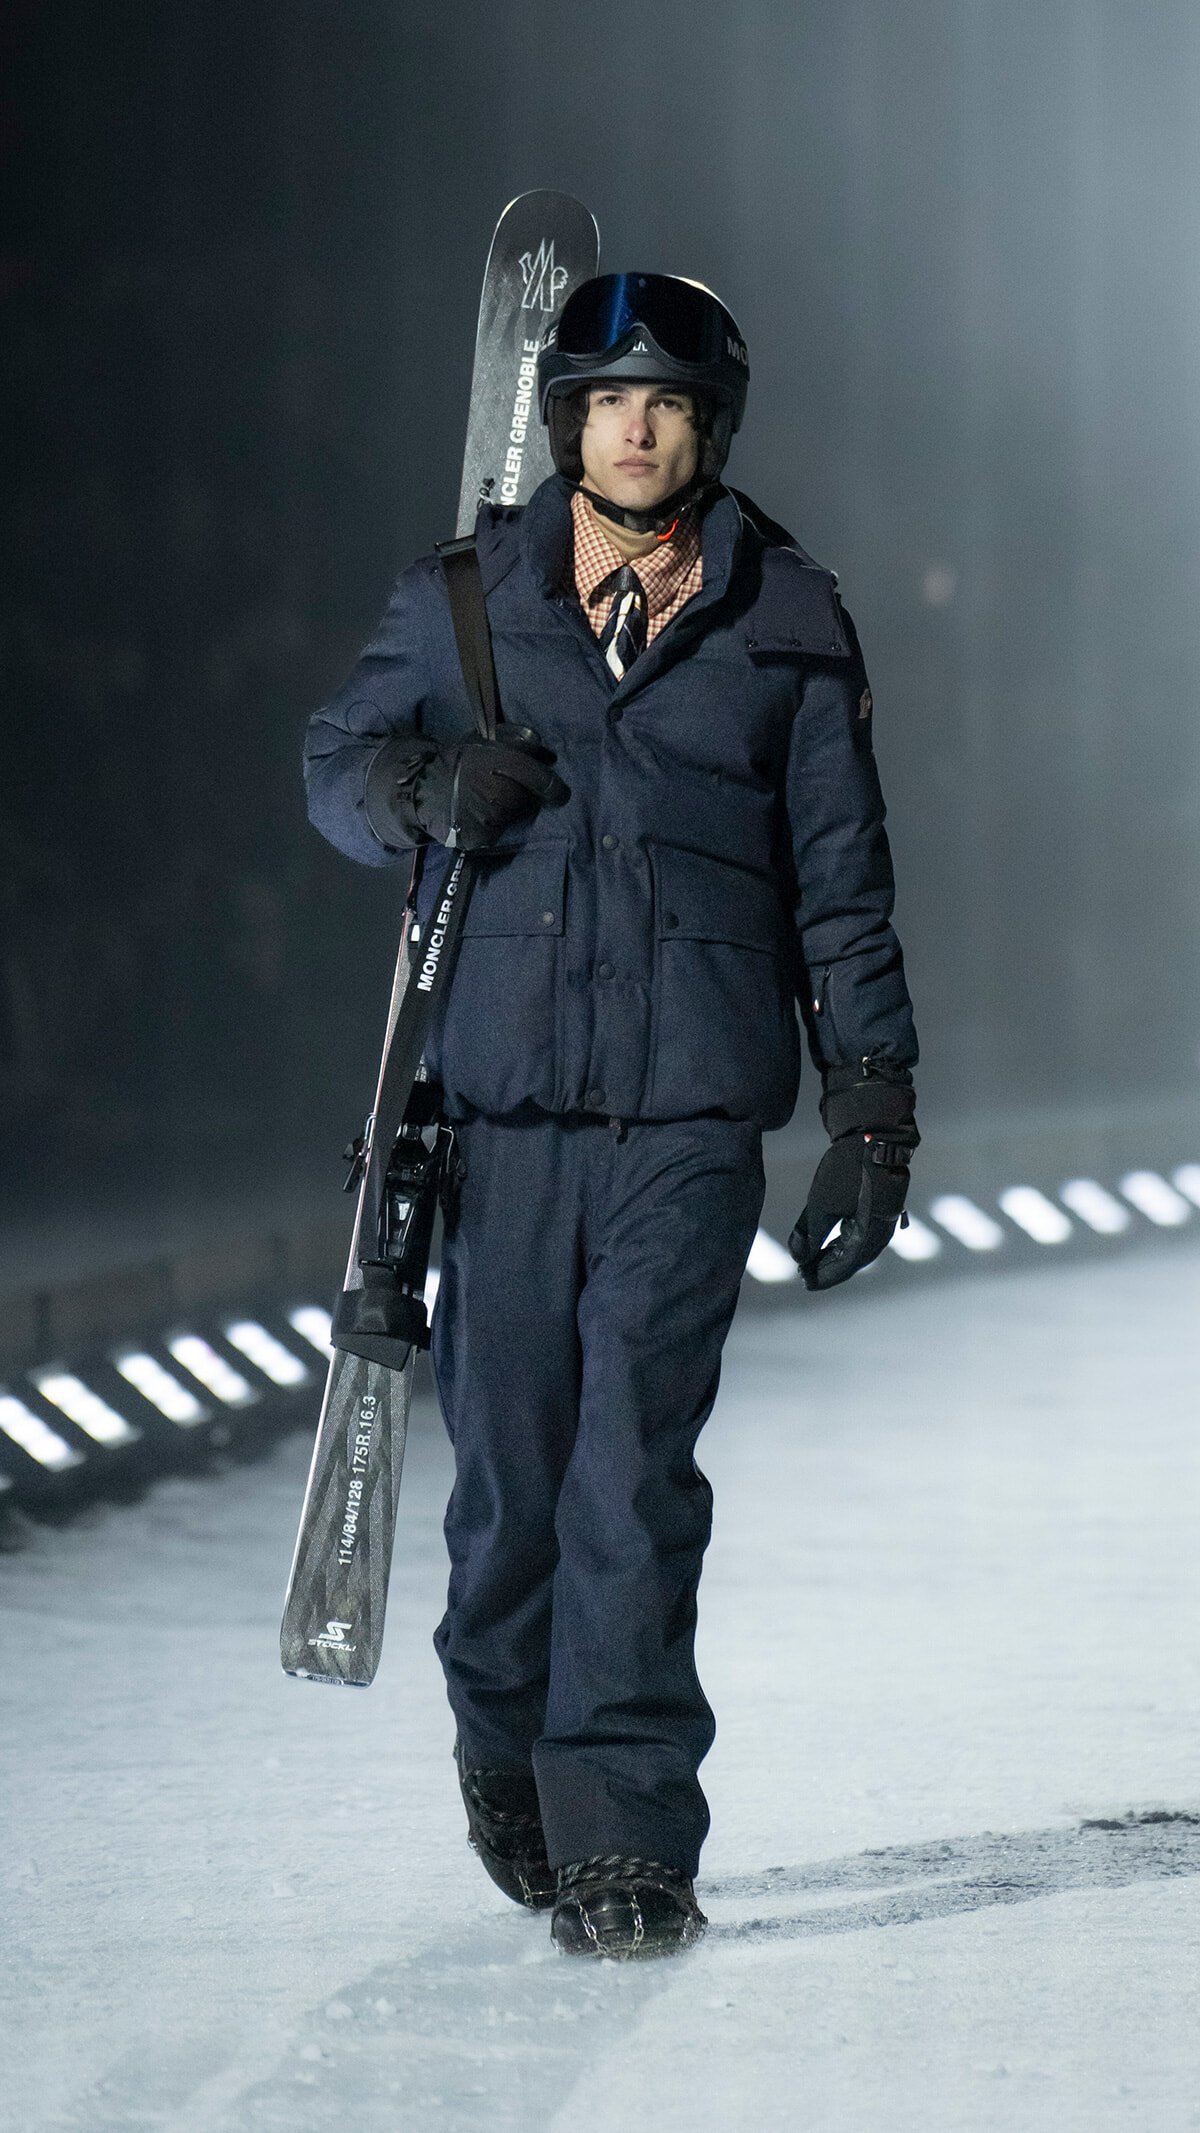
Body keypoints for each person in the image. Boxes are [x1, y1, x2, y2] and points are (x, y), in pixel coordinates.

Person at [304, 272, 918, 1960]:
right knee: (510, 1478)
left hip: (692, 1114)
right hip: (504, 1112)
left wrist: (872, 1103)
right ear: (566, 422)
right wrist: (425, 784)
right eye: (608, 402)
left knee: (632, 1473)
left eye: (668, 404)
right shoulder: (465, 604)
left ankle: (628, 1827)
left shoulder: (790, 617)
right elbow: (332, 766)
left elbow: (843, 884)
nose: (637, 429)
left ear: (709, 428)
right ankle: (504, 1741)